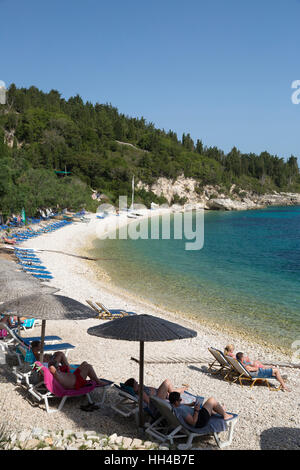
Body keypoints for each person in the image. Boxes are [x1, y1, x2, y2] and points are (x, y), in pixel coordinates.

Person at [169, 391, 233, 428]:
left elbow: (183, 406)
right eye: (180, 400)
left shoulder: (174, 406)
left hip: (198, 416)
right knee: (211, 400)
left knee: (207, 406)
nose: (181, 400)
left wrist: (192, 404)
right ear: (176, 402)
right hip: (200, 421)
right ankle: (225, 415)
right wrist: (196, 411)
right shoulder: (181, 410)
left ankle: (219, 410)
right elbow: (193, 423)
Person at [124, 378, 188, 405]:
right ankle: (174, 398)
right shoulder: (140, 392)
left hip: (159, 394)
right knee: (167, 382)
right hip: (158, 399)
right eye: (136, 383)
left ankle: (183, 389)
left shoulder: (139, 389)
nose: (138, 383)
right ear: (133, 387)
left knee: (172, 391)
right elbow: (149, 402)